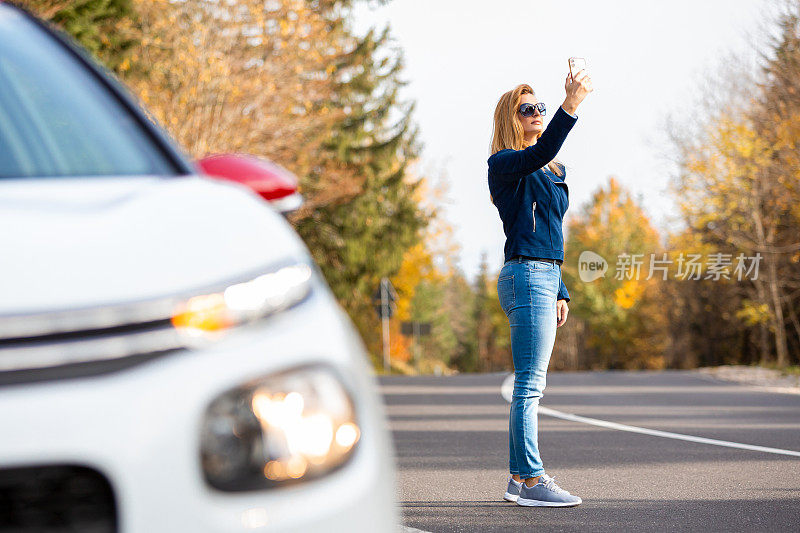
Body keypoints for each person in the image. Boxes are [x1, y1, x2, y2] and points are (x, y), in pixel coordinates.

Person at [487, 67, 592, 507]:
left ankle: (517, 479)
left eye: (541, 108)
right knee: (530, 386)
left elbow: (549, 230)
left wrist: (562, 288)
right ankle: (532, 481)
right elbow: (538, 151)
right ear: (511, 119)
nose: (536, 113)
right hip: (526, 276)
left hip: (544, 276)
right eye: (527, 109)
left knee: (530, 385)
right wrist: (570, 107)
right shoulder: (505, 164)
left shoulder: (550, 169)